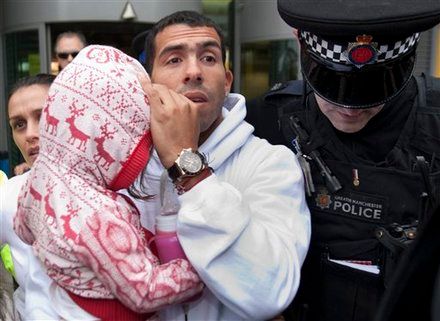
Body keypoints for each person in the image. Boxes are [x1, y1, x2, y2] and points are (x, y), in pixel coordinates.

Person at [246, 1, 440, 321]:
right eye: (332, 88)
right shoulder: (267, 120)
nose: (349, 108)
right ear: (299, 38)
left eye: (372, 91)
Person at [132, 10, 310, 321]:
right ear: (149, 85)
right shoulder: (127, 170)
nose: (194, 72)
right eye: (174, 60)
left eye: (209, 58)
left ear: (227, 81)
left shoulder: (270, 164)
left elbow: (270, 293)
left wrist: (186, 165)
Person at [14, 44, 203, 321]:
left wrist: (61, 252)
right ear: (113, 143)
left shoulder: (39, 175)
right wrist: (199, 270)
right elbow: (146, 292)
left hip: (63, 299)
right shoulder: (99, 215)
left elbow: (23, 229)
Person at [1, 74, 62, 319]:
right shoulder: (10, 196)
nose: (30, 134)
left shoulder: (122, 188)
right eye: (19, 124)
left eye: (43, 116)